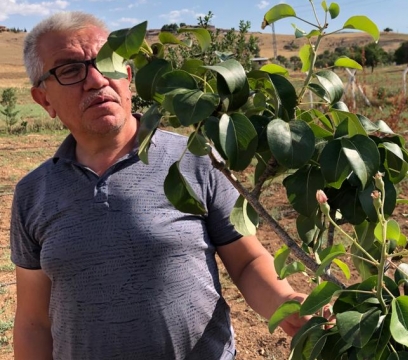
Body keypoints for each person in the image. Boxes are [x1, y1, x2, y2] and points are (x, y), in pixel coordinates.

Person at [11, 11, 310, 360]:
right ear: (44, 99)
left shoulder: (195, 156)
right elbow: (33, 321)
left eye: (106, 63)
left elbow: (246, 262)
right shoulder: (33, 193)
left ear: (127, 75)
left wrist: (287, 301)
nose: (95, 80)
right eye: (70, 70)